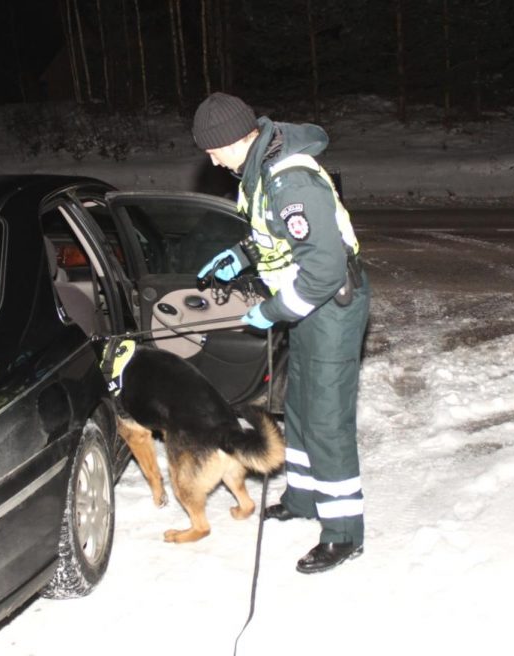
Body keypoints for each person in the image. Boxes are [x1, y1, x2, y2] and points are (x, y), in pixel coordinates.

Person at [192, 92, 370, 574]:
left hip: (330, 305)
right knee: (300, 404)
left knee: (327, 417)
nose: (210, 158)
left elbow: (325, 269)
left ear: (237, 138)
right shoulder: (257, 172)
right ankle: (304, 497)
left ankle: (343, 533)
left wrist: (271, 311)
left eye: (213, 149)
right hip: (307, 306)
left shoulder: (290, 179)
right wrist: (241, 256)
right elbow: (272, 233)